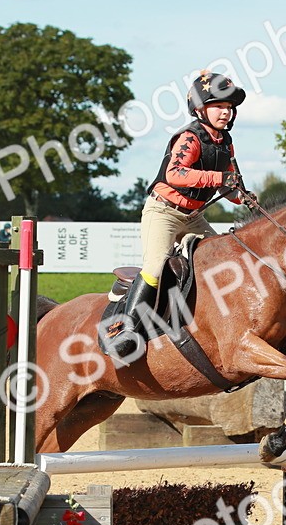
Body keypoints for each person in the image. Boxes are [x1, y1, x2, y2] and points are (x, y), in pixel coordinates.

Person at [105, 70, 256, 357]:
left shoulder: (226, 142)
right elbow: (175, 174)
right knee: (155, 266)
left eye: (229, 107)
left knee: (223, 258)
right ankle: (126, 329)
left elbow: (230, 183)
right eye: (219, 106)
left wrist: (244, 197)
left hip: (193, 216)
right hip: (163, 211)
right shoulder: (190, 137)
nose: (226, 112)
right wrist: (218, 179)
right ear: (201, 109)